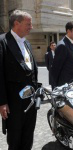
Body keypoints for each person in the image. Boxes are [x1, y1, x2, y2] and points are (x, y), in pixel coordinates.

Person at [0, 10, 38, 150]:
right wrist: (2, 102)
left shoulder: (27, 43)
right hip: (14, 103)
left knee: (28, 137)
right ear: (17, 23)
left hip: (30, 101)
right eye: (28, 24)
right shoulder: (2, 42)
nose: (31, 27)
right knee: (15, 139)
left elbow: (31, 71)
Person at [51, 21, 73, 87]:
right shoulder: (62, 46)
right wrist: (57, 87)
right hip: (64, 85)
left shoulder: (72, 44)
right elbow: (55, 69)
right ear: (68, 31)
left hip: (72, 83)